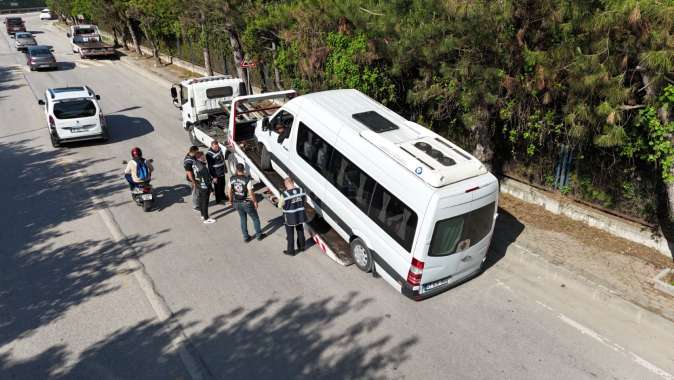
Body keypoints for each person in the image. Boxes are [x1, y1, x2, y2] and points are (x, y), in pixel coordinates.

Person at [228, 163, 265, 242]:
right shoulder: (247, 179)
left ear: (236, 169)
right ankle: (259, 235)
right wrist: (255, 202)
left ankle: (246, 237)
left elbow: (229, 191)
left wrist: (230, 201)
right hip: (246, 203)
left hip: (236, 202)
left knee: (243, 219)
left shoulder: (231, 178)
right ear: (243, 170)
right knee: (255, 218)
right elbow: (251, 193)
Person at [277, 177, 307, 256]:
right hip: (300, 215)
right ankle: (302, 247)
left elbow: (279, 205)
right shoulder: (301, 190)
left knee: (290, 234)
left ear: (286, 184)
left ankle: (291, 251)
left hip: (290, 217)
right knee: (300, 231)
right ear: (293, 182)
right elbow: (304, 201)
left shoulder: (285, 194)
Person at [193, 151, 215, 224]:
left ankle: (202, 214)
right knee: (205, 202)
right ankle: (206, 218)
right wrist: (212, 190)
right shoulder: (203, 168)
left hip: (199, 185)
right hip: (204, 187)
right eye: (204, 156)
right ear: (200, 157)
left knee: (201, 201)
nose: (205, 157)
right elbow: (207, 180)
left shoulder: (195, 163)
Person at [206, 140, 227, 204]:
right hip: (216, 174)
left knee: (223, 185)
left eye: (217, 146)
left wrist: (225, 168)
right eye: (215, 147)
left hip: (221, 172)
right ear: (212, 146)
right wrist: (214, 176)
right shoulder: (209, 154)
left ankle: (223, 196)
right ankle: (218, 200)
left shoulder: (219, 149)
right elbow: (210, 167)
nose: (217, 148)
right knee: (217, 187)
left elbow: (222, 159)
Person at [184, 146, 200, 211]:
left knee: (197, 192)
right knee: (195, 192)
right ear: (193, 152)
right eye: (196, 152)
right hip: (192, 179)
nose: (197, 153)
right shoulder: (188, 162)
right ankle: (195, 206)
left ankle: (198, 203)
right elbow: (189, 173)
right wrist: (194, 182)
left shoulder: (191, 156)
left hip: (196, 178)